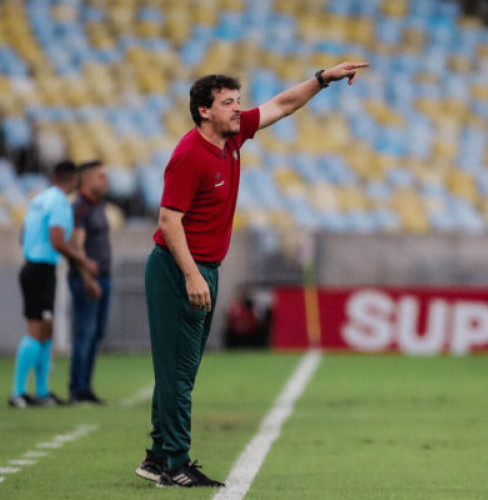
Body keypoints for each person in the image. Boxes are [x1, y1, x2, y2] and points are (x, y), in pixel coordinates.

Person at [135, 62, 369, 488]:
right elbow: (169, 221)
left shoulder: (233, 137)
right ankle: (175, 464)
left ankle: (157, 456)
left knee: (179, 371)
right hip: (178, 268)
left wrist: (321, 80)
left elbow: (283, 104)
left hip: (202, 268)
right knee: (179, 374)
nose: (238, 110)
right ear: (204, 111)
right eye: (228, 103)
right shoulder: (190, 155)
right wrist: (191, 275)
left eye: (238, 102)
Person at [9, 160, 98, 408]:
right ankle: (18, 392)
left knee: (45, 329)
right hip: (41, 270)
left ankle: (42, 392)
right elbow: (57, 239)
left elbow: (22, 234)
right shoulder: (59, 202)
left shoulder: (39, 199)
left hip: (32, 266)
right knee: (37, 330)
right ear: (73, 180)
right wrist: (83, 260)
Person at [67, 160, 111, 404]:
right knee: (84, 332)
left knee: (96, 333)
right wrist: (87, 277)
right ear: (87, 179)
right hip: (88, 280)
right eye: (101, 176)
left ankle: (86, 386)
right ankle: (77, 389)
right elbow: (76, 245)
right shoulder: (80, 208)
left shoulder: (98, 205)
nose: (106, 181)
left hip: (104, 277)